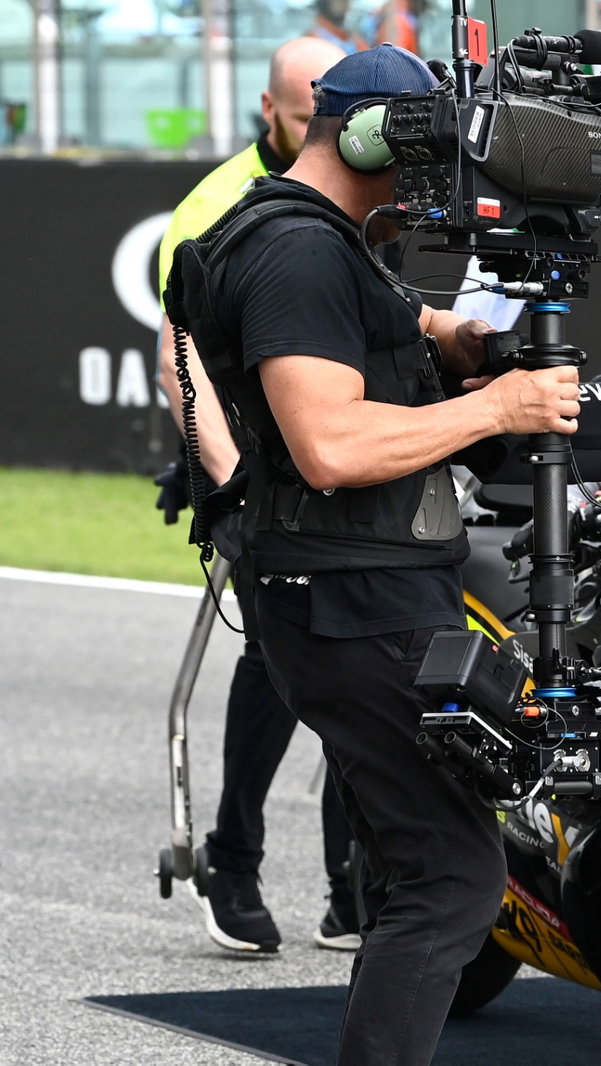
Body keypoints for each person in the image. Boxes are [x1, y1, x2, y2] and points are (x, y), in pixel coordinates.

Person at [163, 44, 582, 1064]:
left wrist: (456, 342)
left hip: (357, 594)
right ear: (365, 136)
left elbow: (378, 340)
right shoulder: (298, 253)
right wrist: (500, 404)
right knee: (450, 876)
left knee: (411, 875)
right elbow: (332, 444)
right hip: (356, 604)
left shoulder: (320, 241)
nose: (441, 172)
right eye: (429, 145)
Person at [154, 33, 358, 955]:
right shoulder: (215, 204)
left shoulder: (364, 179)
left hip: (344, 456)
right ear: (271, 110)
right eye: (307, 106)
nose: (324, 121)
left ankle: (355, 886)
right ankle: (232, 859)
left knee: (374, 658)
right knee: (277, 664)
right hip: (253, 464)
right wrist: (231, 477)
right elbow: (179, 351)